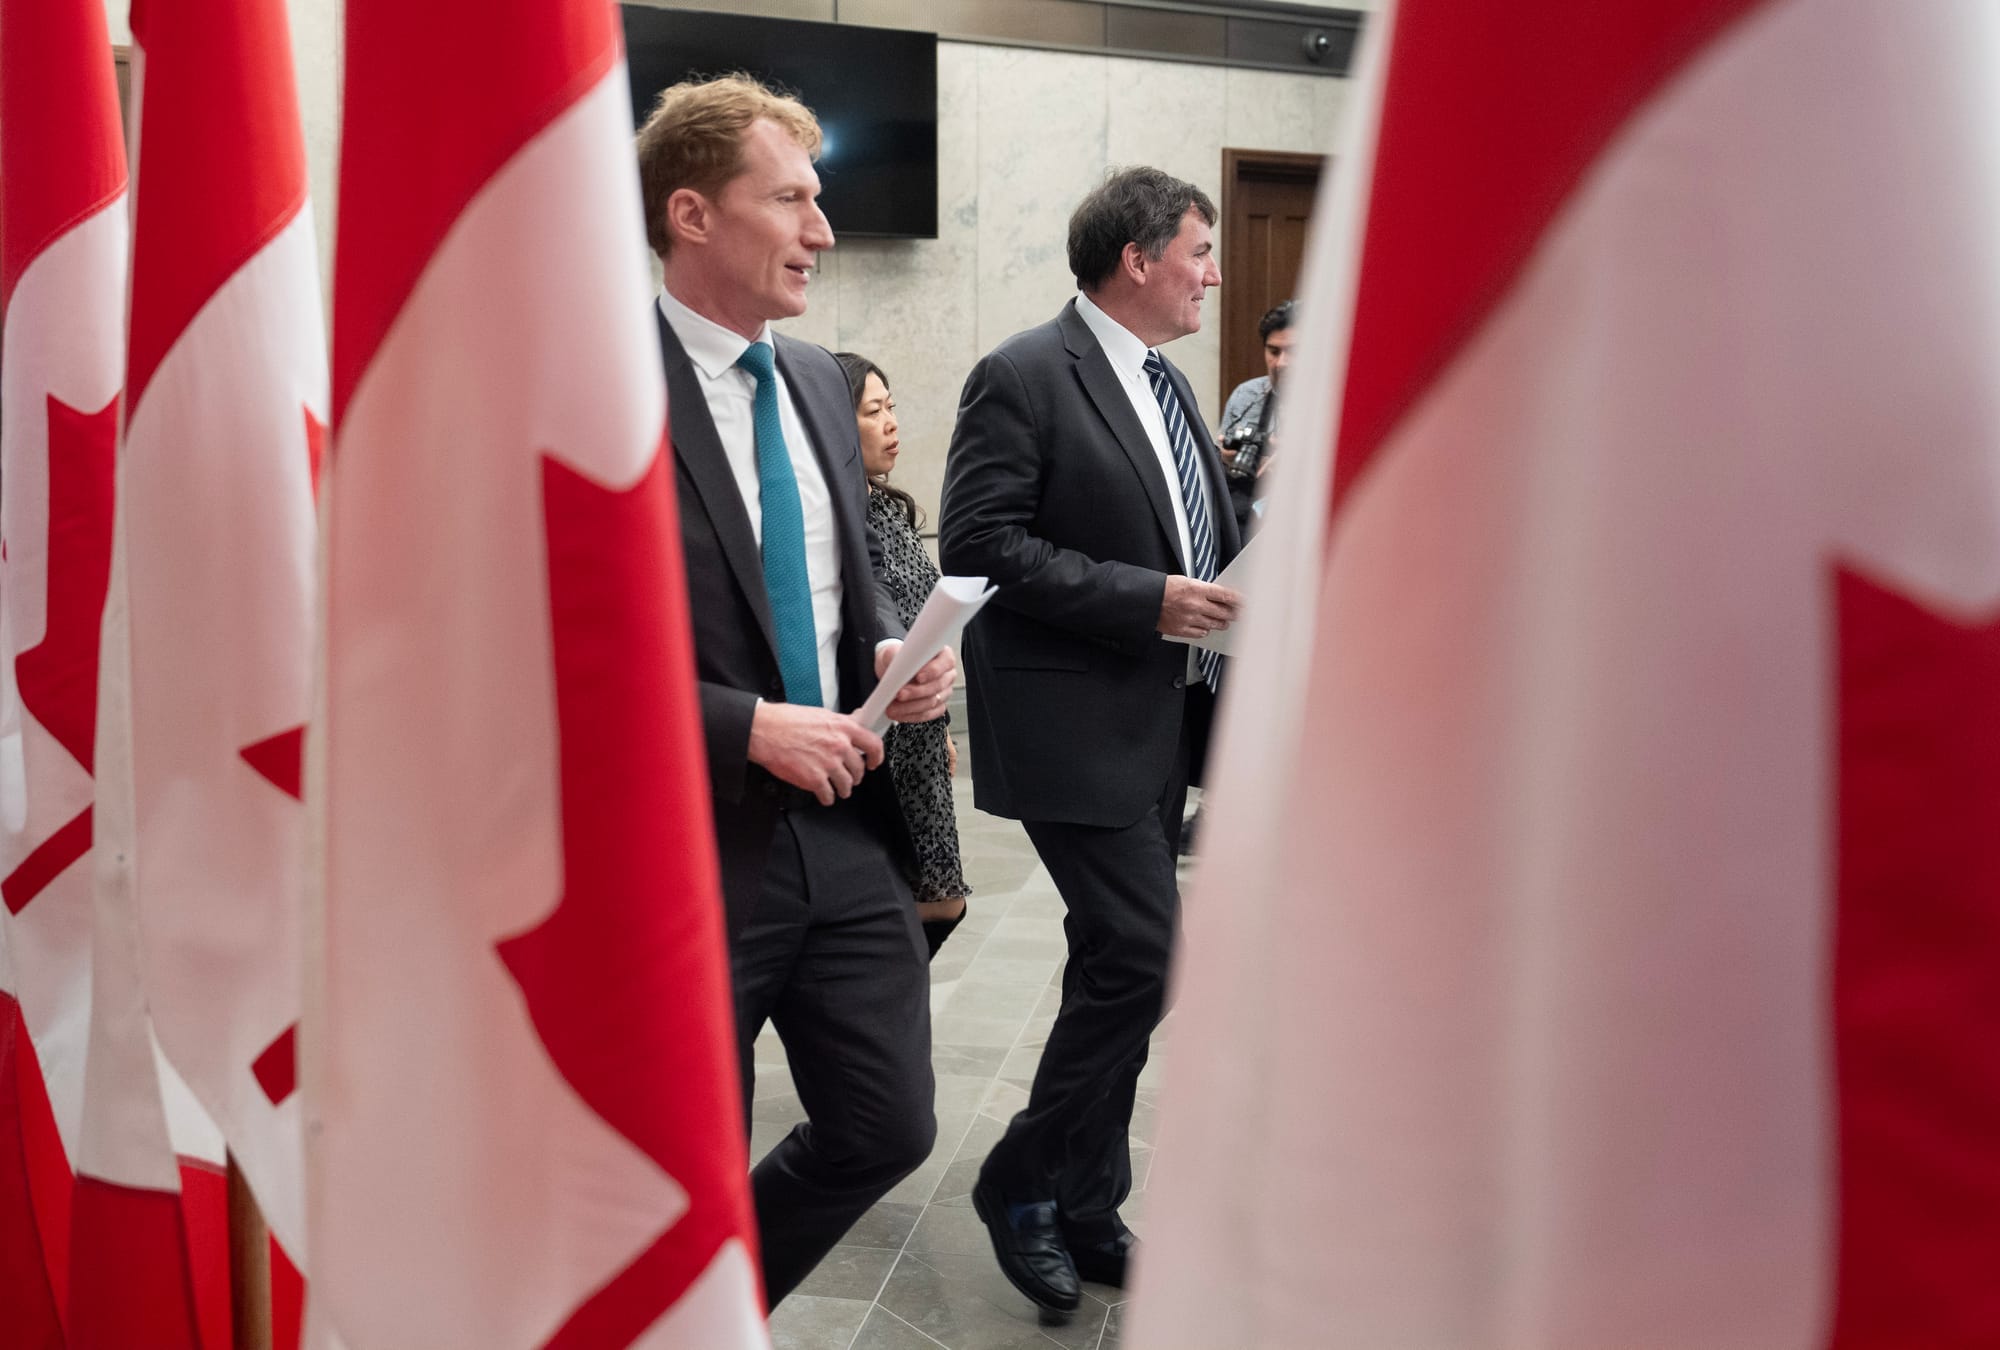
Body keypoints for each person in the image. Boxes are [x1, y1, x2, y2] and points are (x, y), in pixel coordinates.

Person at [635, 74, 956, 1307]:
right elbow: (541, 648)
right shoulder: (594, 386)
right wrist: (742, 725)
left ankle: (707, 1312)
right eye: (790, 199)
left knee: (888, 1125)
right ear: (693, 213)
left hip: (845, 829)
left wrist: (889, 656)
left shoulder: (822, 380)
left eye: (818, 199)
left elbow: (839, 594)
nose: (822, 229)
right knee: (674, 1161)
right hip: (684, 851)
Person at [938, 166, 1243, 1319]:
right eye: (1199, 252)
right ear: (1138, 258)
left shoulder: (1167, 383)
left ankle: (1084, 1201)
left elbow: (1189, 539)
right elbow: (976, 543)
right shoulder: (1023, 373)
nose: (1211, 274)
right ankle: (1019, 1181)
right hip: (1071, 722)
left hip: (1163, 722)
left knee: (1110, 964)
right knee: (1144, 954)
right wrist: (1145, 598)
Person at [834, 351, 972, 957]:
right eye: (872, 411)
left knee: (938, 898)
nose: (890, 422)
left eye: (891, 407)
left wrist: (939, 724)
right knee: (919, 899)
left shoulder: (891, 509)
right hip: (878, 739)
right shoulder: (838, 518)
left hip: (919, 734)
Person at [1216, 299, 1294, 537]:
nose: (1281, 363)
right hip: (1248, 528)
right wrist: (1226, 459)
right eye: (1273, 351)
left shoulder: (1335, 400)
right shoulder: (1247, 394)